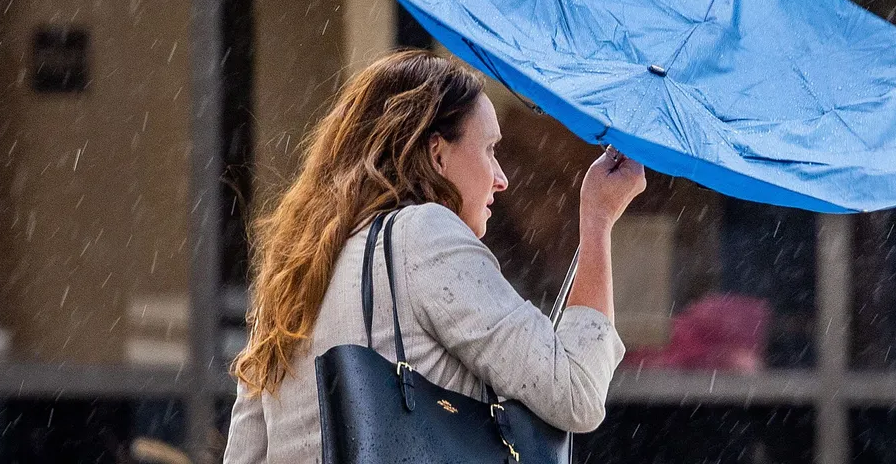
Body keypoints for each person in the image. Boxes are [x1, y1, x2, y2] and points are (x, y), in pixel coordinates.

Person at [222, 49, 646, 463]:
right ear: (437, 153)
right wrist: (597, 219)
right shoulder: (424, 234)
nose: (500, 179)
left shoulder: (299, 269)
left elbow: (245, 452)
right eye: (489, 149)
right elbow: (575, 390)